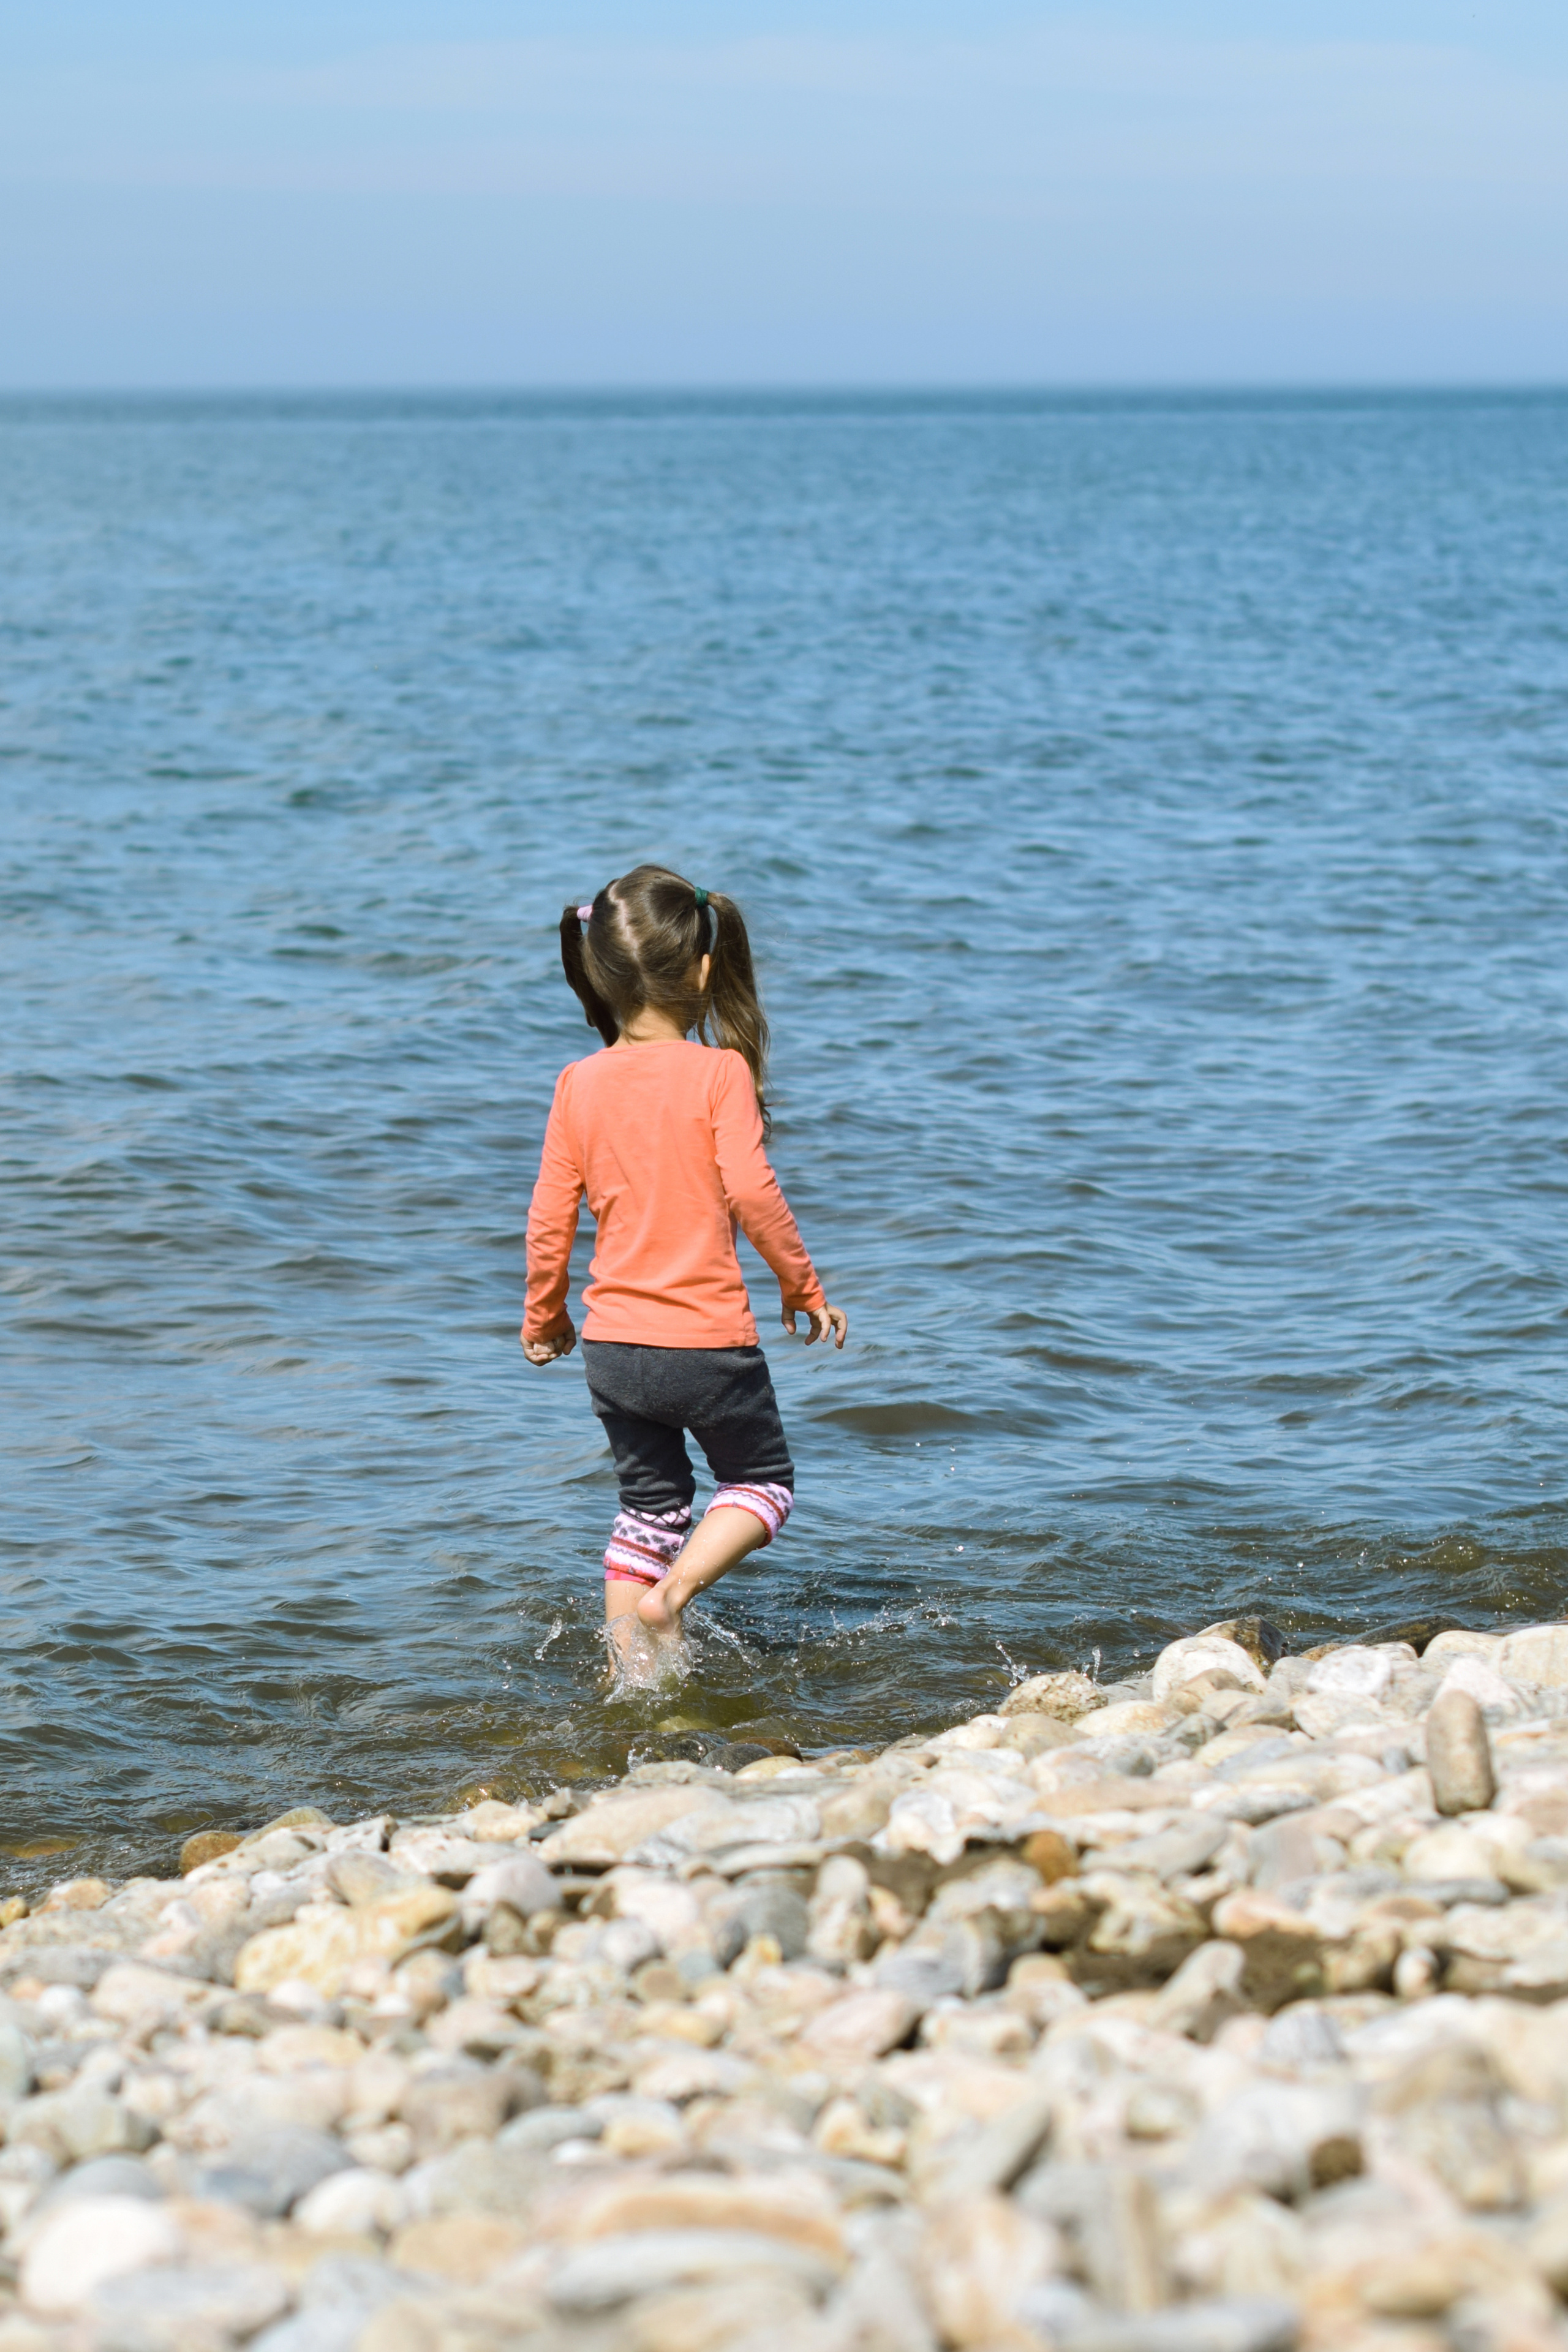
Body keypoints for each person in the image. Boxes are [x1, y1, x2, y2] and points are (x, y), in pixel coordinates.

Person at [521, 864, 847, 1657]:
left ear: (602, 972)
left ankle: (631, 1677)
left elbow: (547, 1218)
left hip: (613, 1351)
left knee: (649, 1508)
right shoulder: (720, 1073)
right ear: (704, 967)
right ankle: (676, 1596)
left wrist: (546, 1316)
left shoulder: (577, 1082)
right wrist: (801, 1286)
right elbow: (754, 1191)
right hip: (705, 1345)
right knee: (761, 1485)